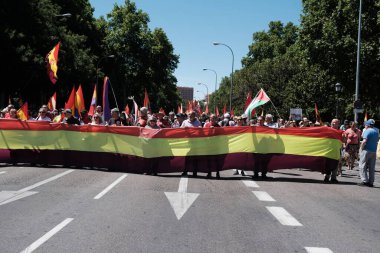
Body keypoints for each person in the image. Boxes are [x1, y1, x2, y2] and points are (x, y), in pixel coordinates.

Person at [358, 119, 379, 187]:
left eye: (366, 124)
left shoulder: (367, 131)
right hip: (373, 151)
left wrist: (361, 149)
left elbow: (364, 141)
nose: (365, 125)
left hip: (366, 150)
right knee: (371, 167)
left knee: (362, 165)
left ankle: (365, 181)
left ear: (368, 125)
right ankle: (371, 182)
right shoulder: (376, 132)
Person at [324, 118, 341, 183]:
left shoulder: (340, 132)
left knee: (335, 164)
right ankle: (327, 177)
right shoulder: (327, 130)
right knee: (328, 164)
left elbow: (343, 140)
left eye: (335, 123)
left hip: (336, 150)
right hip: (328, 150)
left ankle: (333, 178)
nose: (333, 124)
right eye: (333, 122)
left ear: (338, 124)